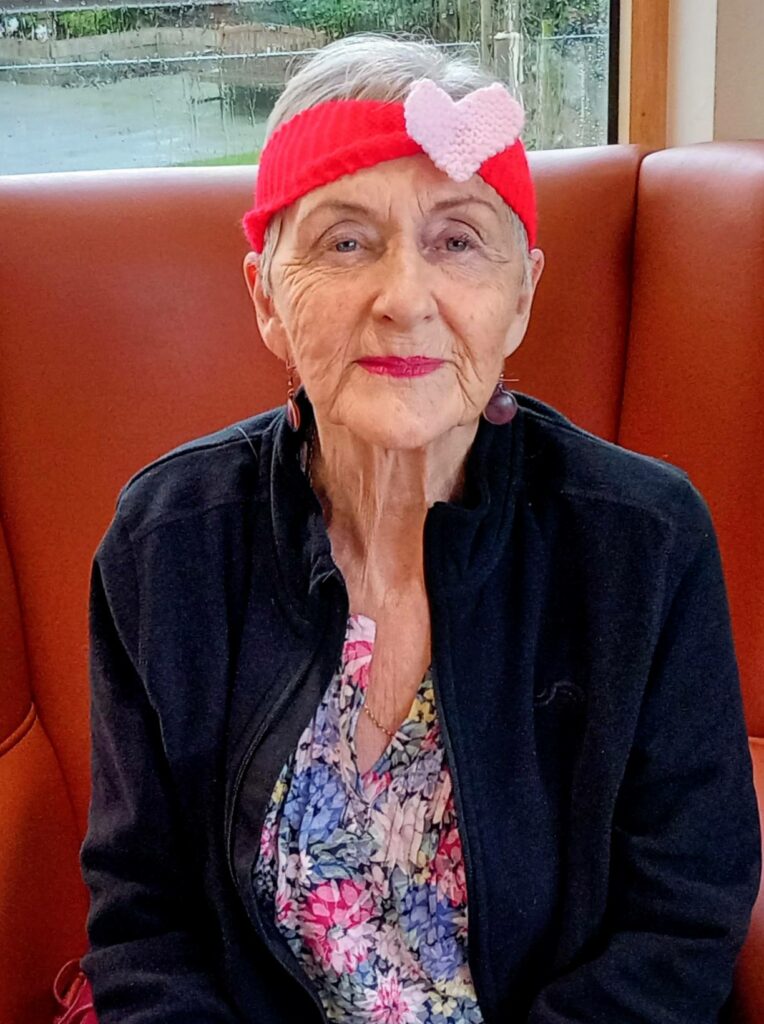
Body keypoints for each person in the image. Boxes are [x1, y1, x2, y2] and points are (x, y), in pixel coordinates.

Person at [79, 31, 761, 1024]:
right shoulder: (166, 543)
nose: (404, 299)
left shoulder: (640, 544)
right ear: (267, 298)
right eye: (345, 241)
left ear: (518, 294)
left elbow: (681, 914)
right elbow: (145, 923)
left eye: (455, 240)